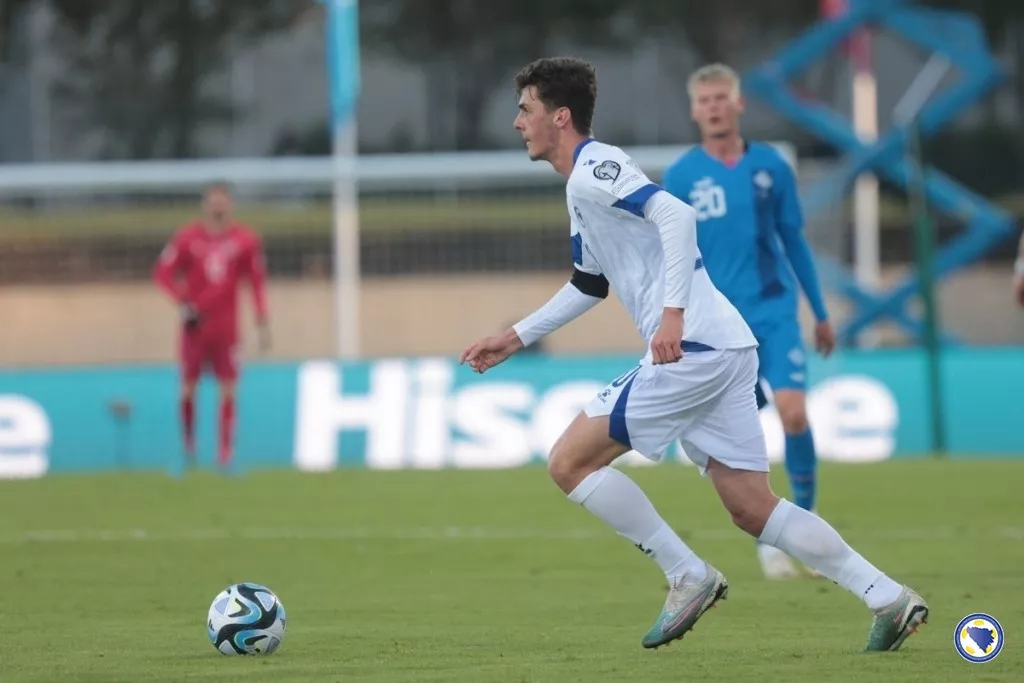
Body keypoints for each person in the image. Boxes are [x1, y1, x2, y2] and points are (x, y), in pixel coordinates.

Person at [460, 57, 927, 652]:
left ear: (560, 116)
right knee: (752, 508)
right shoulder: (582, 186)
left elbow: (677, 214)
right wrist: (516, 336)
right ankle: (887, 596)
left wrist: (673, 313)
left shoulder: (595, 167)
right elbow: (589, 283)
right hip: (726, 346)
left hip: (694, 348)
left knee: (568, 463)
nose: (517, 122)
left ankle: (687, 574)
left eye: (525, 109)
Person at [662, 63, 835, 580]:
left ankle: (805, 521)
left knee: (794, 413)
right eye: (705, 100)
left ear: (737, 104)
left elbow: (793, 240)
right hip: (718, 324)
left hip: (773, 310)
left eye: (722, 98)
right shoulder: (681, 176)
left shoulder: (771, 167)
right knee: (736, 436)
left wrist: (820, 311)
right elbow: (672, 254)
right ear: (694, 110)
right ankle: (769, 536)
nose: (714, 107)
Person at [153, 182, 270, 474]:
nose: (218, 207)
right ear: (205, 205)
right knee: (187, 389)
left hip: (226, 329)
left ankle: (225, 456)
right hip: (195, 327)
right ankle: (189, 451)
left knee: (228, 389)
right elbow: (163, 273)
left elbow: (256, 282)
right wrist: (183, 302)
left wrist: (261, 320)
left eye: (222, 202)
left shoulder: (245, 240)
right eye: (213, 202)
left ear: (230, 205)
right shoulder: (187, 238)